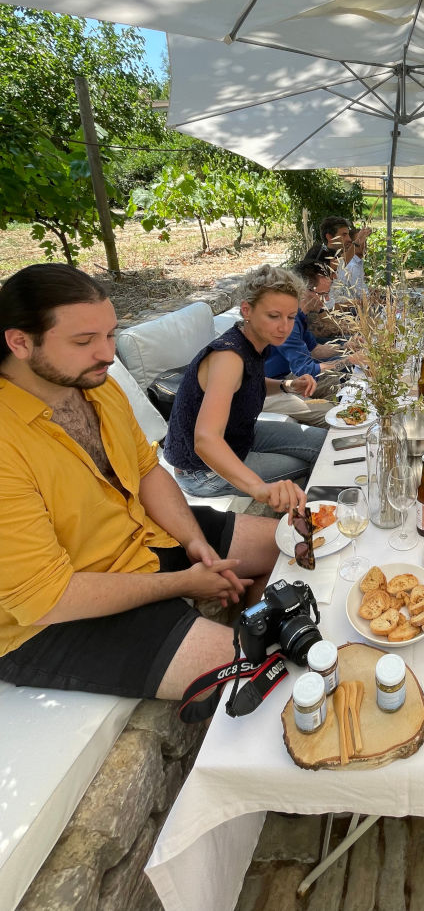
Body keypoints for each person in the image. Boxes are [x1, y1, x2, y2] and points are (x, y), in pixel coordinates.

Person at [0, 264, 281, 701]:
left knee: (294, 541)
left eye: (110, 335)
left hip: (140, 536)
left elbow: (147, 470)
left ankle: (252, 618)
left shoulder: (96, 386)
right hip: (55, 614)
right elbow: (45, 597)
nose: (107, 353)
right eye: (84, 341)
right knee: (264, 671)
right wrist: (186, 583)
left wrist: (194, 543)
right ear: (20, 341)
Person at [164, 266, 324, 506]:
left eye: (291, 317)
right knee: (311, 463)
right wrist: (258, 487)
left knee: (325, 444)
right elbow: (205, 439)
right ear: (247, 310)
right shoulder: (228, 357)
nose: (284, 327)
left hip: (241, 436)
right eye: (274, 316)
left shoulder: (256, 340)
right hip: (200, 470)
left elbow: (248, 383)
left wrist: (287, 386)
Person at [264, 261, 359, 399]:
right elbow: (305, 370)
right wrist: (349, 360)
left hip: (294, 374)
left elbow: (314, 350)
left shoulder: (300, 315)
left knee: (349, 374)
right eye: (322, 294)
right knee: (347, 380)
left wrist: (345, 347)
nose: (326, 300)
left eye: (327, 294)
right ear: (303, 290)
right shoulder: (288, 321)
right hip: (280, 382)